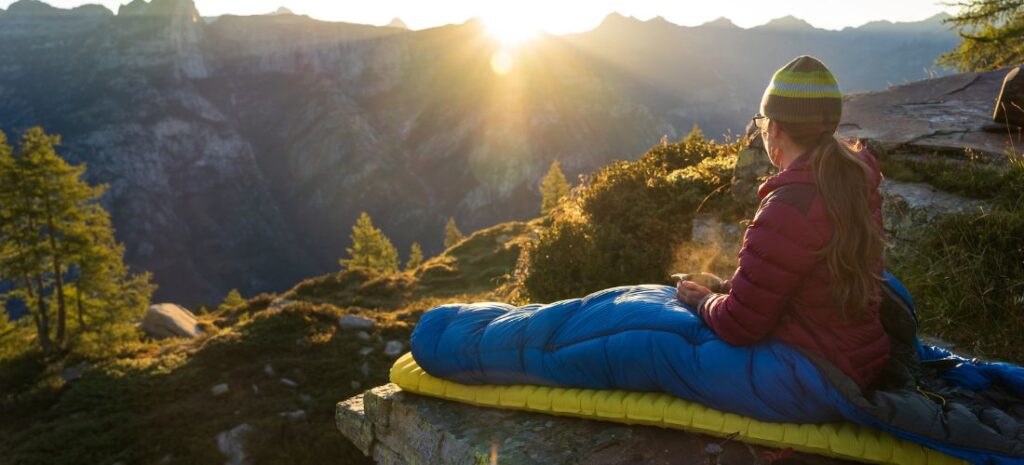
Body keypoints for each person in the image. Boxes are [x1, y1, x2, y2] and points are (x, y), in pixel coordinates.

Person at [676, 55, 891, 389]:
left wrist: (704, 301)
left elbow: (739, 326)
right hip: (860, 359)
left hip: (815, 375)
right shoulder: (853, 181)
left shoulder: (788, 206)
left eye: (763, 125)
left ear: (774, 129)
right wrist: (733, 289)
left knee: (666, 347)